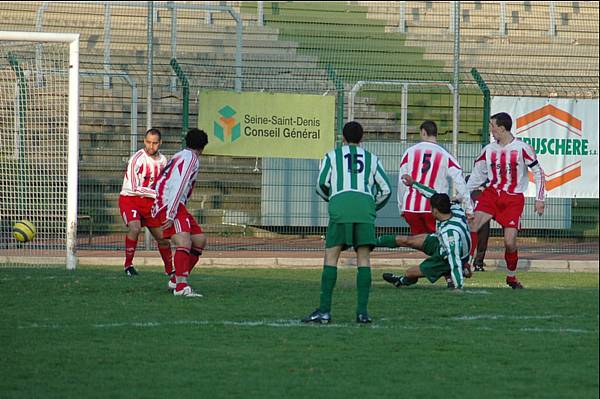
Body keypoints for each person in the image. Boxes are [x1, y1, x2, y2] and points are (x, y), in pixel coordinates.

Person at [302, 121, 391, 324]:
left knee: (331, 257)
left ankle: (324, 311)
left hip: (340, 206)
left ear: (342, 137)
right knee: (364, 260)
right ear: (362, 139)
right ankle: (362, 313)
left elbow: (321, 183)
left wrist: (334, 199)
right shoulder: (372, 158)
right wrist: (371, 206)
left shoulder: (331, 156)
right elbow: (386, 189)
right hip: (364, 207)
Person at [466, 112, 545, 289]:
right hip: (492, 194)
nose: (491, 130)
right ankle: (467, 264)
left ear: (502, 128)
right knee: (472, 224)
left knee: (510, 242)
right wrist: (464, 193)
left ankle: (511, 277)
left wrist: (540, 199)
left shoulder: (522, 148)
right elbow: (477, 175)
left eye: (492, 126)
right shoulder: (488, 150)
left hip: (513, 199)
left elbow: (539, 173)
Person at [396, 120, 473, 287]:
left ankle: (448, 274)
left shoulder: (409, 152)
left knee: (427, 245)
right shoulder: (444, 154)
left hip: (412, 206)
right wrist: (468, 207)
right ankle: (452, 274)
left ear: (423, 132)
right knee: (441, 246)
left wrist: (401, 205)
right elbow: (459, 180)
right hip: (437, 209)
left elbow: (402, 180)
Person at [379, 175, 472, 290]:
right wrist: (413, 183)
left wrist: (458, 287)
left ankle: (401, 281)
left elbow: (454, 258)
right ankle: (371, 242)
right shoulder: (454, 208)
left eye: (430, 208)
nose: (429, 209)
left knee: (410, 273)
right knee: (407, 240)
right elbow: (432, 194)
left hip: (446, 258)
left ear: (435, 210)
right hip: (441, 242)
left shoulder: (450, 233)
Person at [151, 128, 209, 297]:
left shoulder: (181, 155)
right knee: (183, 241)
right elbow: (180, 184)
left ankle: (176, 279)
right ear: (203, 147)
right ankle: (181, 287)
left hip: (174, 203)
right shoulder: (191, 159)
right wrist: (170, 213)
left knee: (199, 240)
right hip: (170, 203)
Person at [118, 128, 171, 277]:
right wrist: (157, 194)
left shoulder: (163, 160)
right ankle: (128, 266)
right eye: (148, 142)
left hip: (150, 203)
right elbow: (134, 187)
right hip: (130, 199)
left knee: (163, 238)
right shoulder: (137, 159)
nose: (151, 146)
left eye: (154, 143)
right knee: (135, 228)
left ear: (160, 143)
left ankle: (170, 270)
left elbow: (163, 183)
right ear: (144, 141)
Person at [465, 174, 490, 272]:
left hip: (481, 218)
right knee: (474, 241)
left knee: (480, 242)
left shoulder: (485, 191)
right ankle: (472, 262)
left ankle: (477, 263)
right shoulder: (470, 189)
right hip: (474, 217)